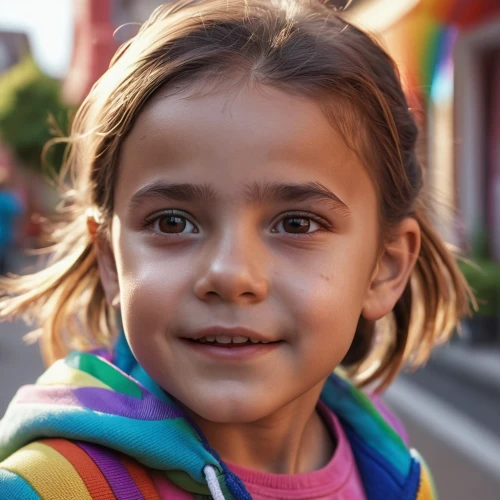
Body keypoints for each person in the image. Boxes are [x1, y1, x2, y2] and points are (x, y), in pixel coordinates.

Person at [0, 0, 472, 498]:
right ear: (112, 262)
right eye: (173, 222)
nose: (230, 274)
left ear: (384, 268)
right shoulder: (50, 488)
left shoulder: (398, 476)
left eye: (296, 222)